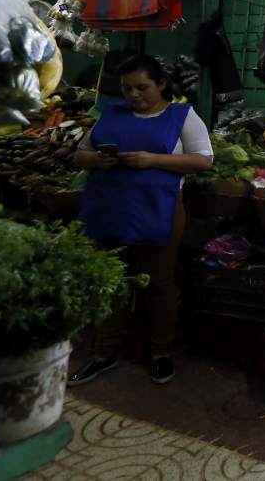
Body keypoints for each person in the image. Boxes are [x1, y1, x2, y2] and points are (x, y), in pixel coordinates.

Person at [67, 55, 213, 386]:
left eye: (142, 87)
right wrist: (96, 160)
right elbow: (79, 154)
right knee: (110, 282)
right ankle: (104, 353)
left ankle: (161, 353)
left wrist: (152, 161)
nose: (134, 94)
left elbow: (203, 160)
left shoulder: (182, 116)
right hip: (108, 208)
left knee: (159, 284)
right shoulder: (111, 112)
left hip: (157, 210)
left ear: (161, 84)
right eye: (127, 88)